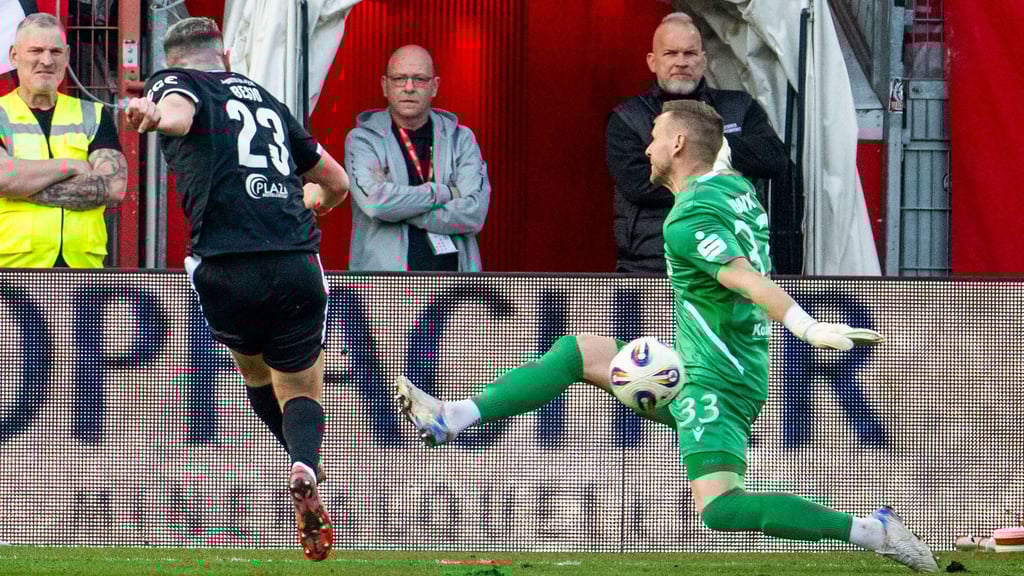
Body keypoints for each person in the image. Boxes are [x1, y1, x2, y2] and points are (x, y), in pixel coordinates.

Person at [396, 100, 938, 572]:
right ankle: (455, 416)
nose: (647, 146)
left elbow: (745, 277)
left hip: (717, 382)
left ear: (677, 143)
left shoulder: (686, 220)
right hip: (715, 362)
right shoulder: (736, 189)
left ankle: (871, 530)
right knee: (582, 350)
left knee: (721, 510)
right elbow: (716, 161)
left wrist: (806, 325)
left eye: (655, 136)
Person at [124, 17, 349, 562]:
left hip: (224, 264)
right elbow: (336, 183)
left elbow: (175, 113)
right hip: (294, 259)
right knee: (300, 385)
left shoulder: (174, 83)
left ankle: (299, 466)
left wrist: (152, 114)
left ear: (172, 59)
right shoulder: (267, 99)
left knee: (253, 370)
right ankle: (305, 465)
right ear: (224, 54)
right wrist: (312, 204)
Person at [609, 12, 787, 274]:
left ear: (703, 61)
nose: (681, 62)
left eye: (690, 54)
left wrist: (703, 146)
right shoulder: (627, 118)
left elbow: (774, 159)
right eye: (671, 53)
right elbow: (640, 185)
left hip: (734, 263)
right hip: (651, 267)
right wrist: (724, 173)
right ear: (652, 61)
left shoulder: (739, 106)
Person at [345, 44, 489, 271]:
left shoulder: (461, 139)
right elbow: (375, 204)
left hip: (456, 291)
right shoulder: (363, 140)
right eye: (400, 78)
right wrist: (444, 192)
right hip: (385, 290)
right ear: (385, 85)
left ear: (435, 86)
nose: (409, 87)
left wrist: (399, 210)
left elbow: (474, 214)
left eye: (420, 79)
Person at [0, 12, 127, 268]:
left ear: (67, 55)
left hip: (82, 271)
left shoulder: (93, 114)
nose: (46, 61)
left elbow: (114, 187)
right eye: (36, 51)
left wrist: (22, 187)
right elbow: (3, 177)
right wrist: (71, 165)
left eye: (55, 52)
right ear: (15, 56)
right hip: (11, 271)